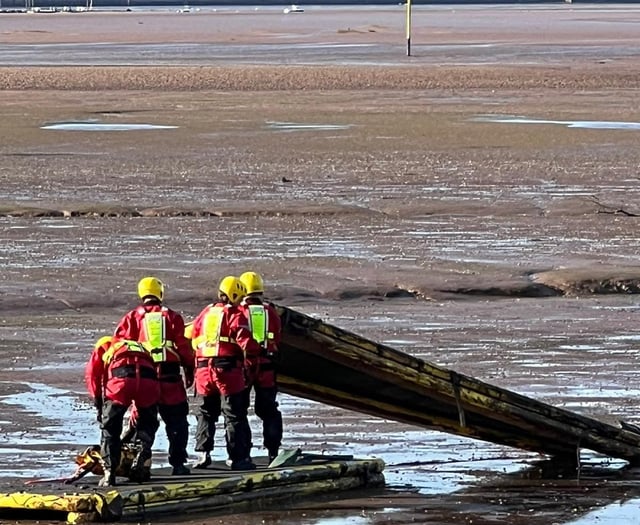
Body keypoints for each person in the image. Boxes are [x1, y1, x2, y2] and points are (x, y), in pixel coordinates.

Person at [114, 276, 195, 476]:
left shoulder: (132, 318)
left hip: (144, 379)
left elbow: (119, 347)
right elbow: (184, 348)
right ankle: (178, 464)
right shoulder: (172, 317)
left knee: (144, 423)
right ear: (160, 293)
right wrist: (190, 370)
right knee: (177, 423)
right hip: (170, 379)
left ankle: (140, 464)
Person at [190, 275, 262, 471]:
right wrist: (251, 364)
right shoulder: (235, 314)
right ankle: (238, 458)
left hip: (204, 369)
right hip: (227, 369)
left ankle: (203, 454)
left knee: (205, 412)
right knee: (234, 414)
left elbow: (192, 336)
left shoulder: (207, 312)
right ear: (236, 294)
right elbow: (246, 342)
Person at [85, 336, 160, 487]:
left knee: (110, 430)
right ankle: (140, 465)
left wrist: (98, 401)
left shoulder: (105, 343)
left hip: (120, 383)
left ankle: (109, 474)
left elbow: (93, 373)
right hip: (148, 382)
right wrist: (137, 419)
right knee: (147, 426)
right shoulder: (142, 346)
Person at [239, 271, 283, 464]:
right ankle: (273, 451)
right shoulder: (270, 312)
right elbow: (278, 336)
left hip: (244, 367)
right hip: (266, 366)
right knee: (269, 410)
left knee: (238, 411)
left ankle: (243, 454)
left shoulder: (238, 312)